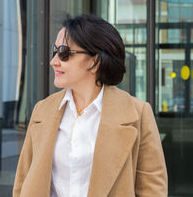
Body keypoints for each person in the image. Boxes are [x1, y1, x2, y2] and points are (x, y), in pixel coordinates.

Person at [13, 14, 167, 197]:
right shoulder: (43, 110)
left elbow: (152, 190)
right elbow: (22, 182)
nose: (54, 61)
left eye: (63, 52)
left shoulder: (138, 113)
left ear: (95, 61)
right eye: (54, 51)